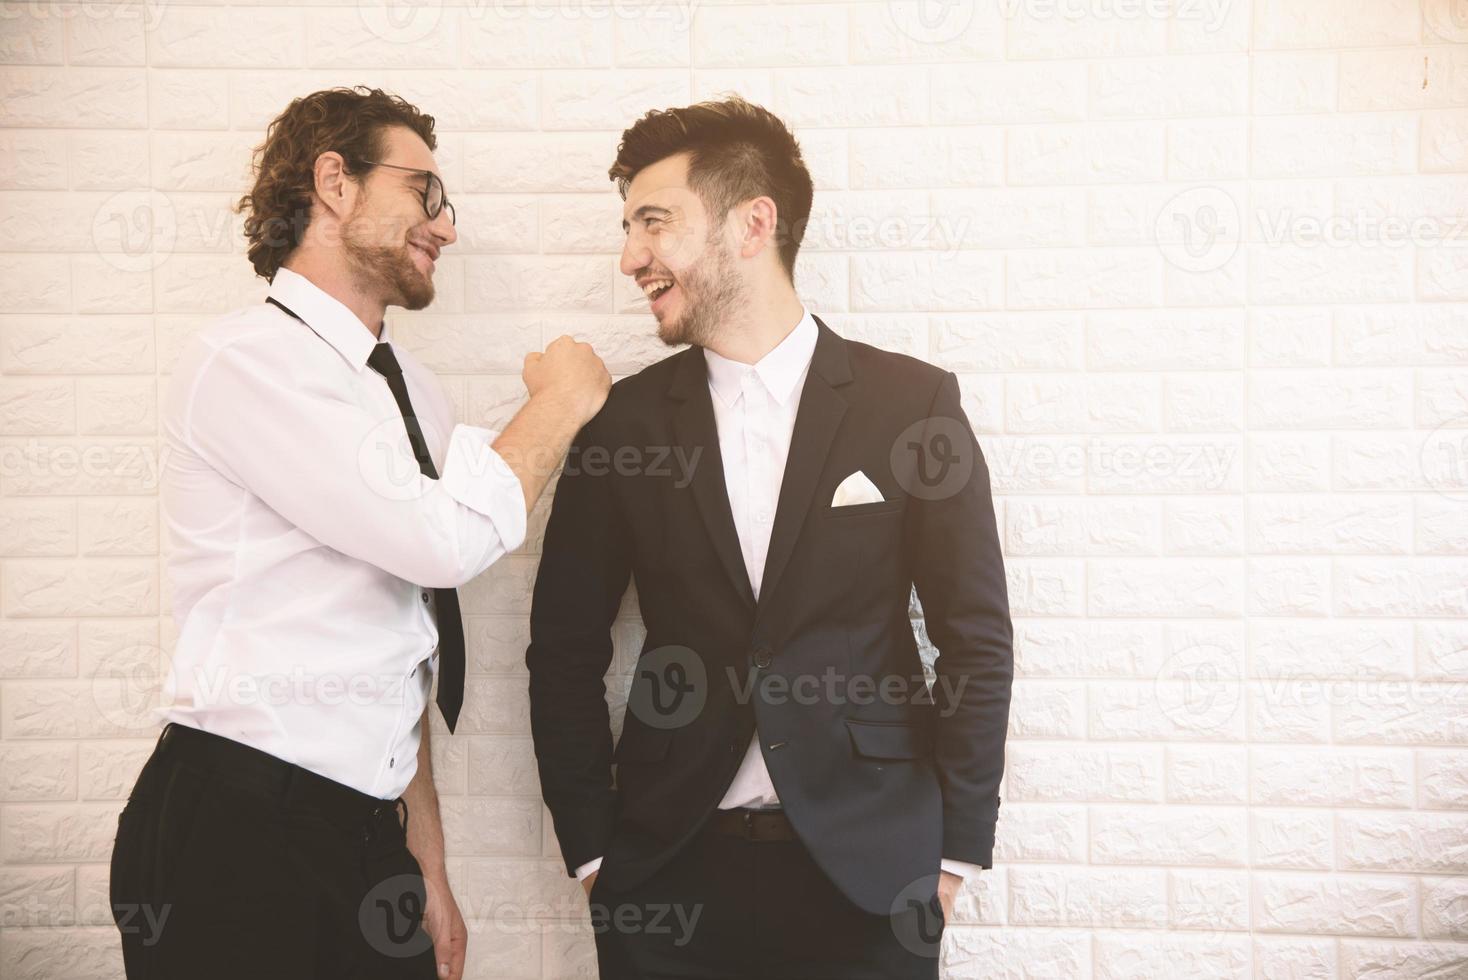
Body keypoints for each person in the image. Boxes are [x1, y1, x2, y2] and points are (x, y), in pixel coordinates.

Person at [109, 86, 610, 980]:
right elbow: (445, 545)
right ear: (334, 182)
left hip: (364, 830)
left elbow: (401, 633)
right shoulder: (246, 365)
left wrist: (426, 859)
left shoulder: (413, 387)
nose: (445, 227)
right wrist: (563, 400)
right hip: (237, 828)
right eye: (425, 192)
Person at [526, 96, 1014, 979]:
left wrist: (954, 858)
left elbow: (974, 636)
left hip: (872, 878)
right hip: (668, 875)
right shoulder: (622, 424)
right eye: (628, 225)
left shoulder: (912, 406)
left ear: (754, 223)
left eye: (654, 222)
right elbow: (562, 650)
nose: (631, 255)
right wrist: (596, 856)